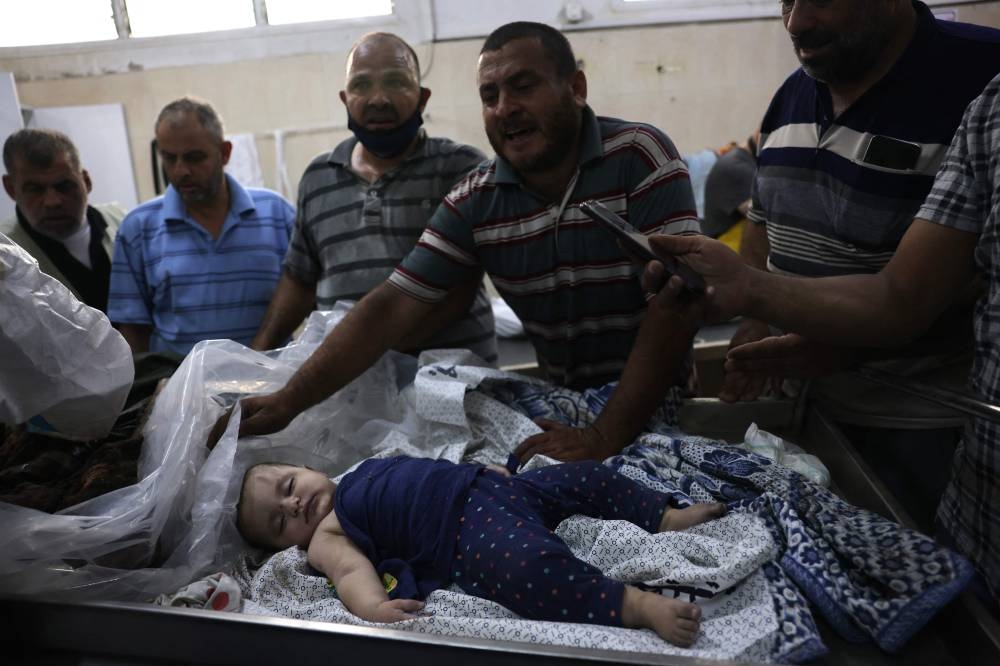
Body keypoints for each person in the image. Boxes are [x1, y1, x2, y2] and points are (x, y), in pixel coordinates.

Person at [234, 22, 700, 463]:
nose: (504, 108)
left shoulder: (637, 155)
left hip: (659, 409)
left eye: (523, 86)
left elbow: (677, 304)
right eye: (489, 96)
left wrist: (604, 436)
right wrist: (287, 401)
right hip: (564, 414)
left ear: (576, 88)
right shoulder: (477, 199)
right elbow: (391, 306)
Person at [643, 72, 1000, 613]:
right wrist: (759, 307)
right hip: (967, 502)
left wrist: (755, 291)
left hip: (920, 416)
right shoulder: (987, 111)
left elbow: (927, 298)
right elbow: (893, 296)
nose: (798, 29)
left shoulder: (964, 77)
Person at [721, 0, 1000, 529]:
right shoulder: (793, 93)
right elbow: (761, 224)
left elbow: (970, 288)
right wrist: (756, 319)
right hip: (811, 412)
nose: (796, 22)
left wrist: (852, 348)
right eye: (786, 0)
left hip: (927, 426)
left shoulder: (980, 80)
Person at [237, 456, 725, 645]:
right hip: (466, 531)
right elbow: (348, 573)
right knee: (527, 568)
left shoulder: (361, 470)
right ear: (286, 546)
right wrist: (373, 608)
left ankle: (662, 516)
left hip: (492, 487)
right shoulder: (326, 536)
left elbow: (425, 469)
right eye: (280, 522)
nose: (293, 504)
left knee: (589, 475)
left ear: (307, 467)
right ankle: (633, 604)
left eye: (289, 485)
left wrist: (477, 467)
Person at [251, 33, 497, 363]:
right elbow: (300, 281)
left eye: (396, 82)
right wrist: (254, 359)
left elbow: (457, 291)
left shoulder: (461, 169)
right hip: (346, 384)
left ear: (422, 98)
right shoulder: (318, 178)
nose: (378, 99)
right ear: (345, 99)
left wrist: (362, 360)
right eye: (361, 85)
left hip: (449, 381)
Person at [108, 97, 296, 356]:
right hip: (179, 381)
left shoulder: (278, 215)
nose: (181, 171)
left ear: (225, 152)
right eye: (169, 158)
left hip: (273, 378)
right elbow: (133, 331)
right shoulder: (138, 229)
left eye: (194, 158)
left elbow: (307, 300)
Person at [1, 128, 127, 314]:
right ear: (11, 188)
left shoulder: (124, 221)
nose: (52, 202)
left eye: (64, 186)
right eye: (35, 189)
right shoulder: (5, 256)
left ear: (86, 181)